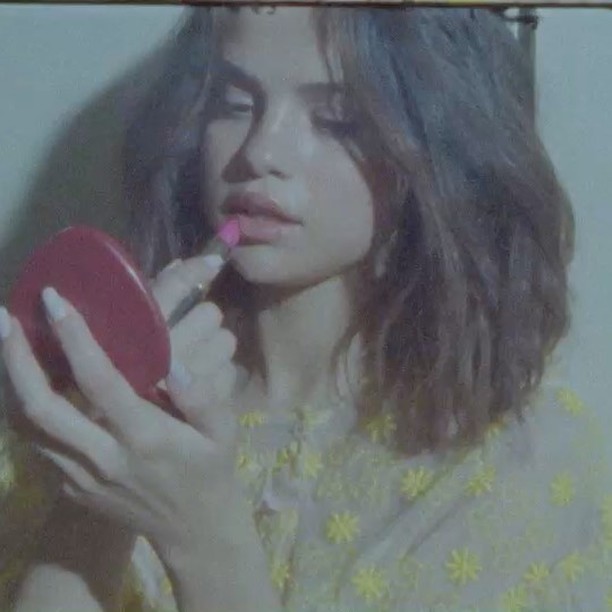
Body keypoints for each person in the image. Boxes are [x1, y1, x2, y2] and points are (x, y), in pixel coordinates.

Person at [0, 5, 610, 611]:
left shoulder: (519, 461)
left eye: (336, 118)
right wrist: (109, 464)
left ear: (437, 146)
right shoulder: (85, 398)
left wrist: (204, 541)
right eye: (233, 103)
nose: (261, 151)